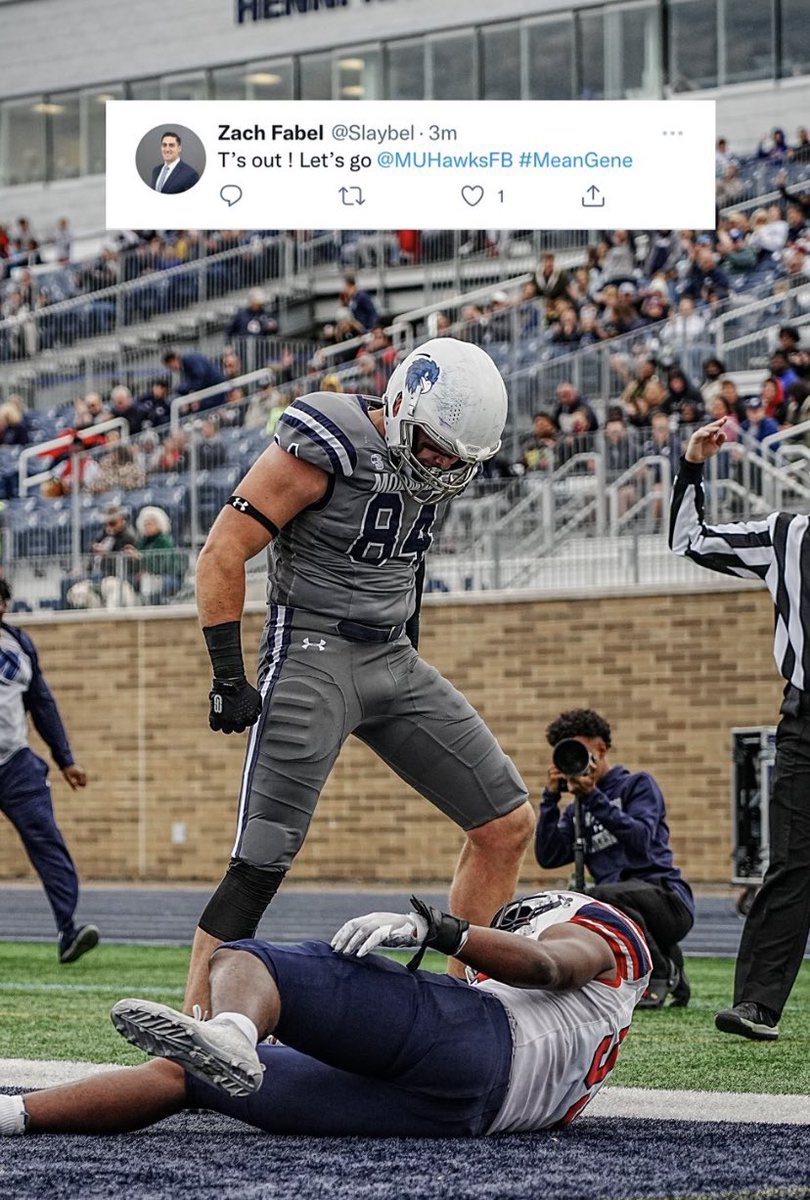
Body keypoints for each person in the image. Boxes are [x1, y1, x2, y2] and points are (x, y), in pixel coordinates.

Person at [185, 337, 535, 1012]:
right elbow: (224, 548)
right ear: (403, 401)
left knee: (506, 824)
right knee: (261, 858)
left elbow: (410, 556)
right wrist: (228, 674)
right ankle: (195, 1026)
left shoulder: (435, 459)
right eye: (435, 445)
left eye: (457, 457)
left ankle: (461, 1006)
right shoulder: (330, 437)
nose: (441, 463)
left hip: (392, 660)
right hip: (312, 654)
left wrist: (411, 635)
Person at [0, 888, 651, 1138]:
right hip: (463, 1115)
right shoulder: (603, 1025)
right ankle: (13, 1115)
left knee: (245, 960)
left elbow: (548, 965)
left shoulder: (603, 929)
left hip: (477, 1039)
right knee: (188, 1074)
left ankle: (233, 1029)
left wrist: (442, 929)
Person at [670, 415, 810, 1041]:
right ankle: (756, 1005)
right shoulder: (787, 536)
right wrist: (693, 465)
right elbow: (689, 540)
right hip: (806, 720)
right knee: (792, 863)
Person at [535, 708, 694, 1008]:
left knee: (599, 897)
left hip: (667, 898)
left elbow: (641, 842)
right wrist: (550, 798)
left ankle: (658, 973)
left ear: (602, 748)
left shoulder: (637, 785)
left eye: (580, 749)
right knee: (581, 901)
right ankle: (670, 964)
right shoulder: (576, 810)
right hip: (623, 906)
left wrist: (595, 797)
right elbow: (548, 856)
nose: (575, 759)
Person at [0, 578, 98, 964]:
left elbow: (42, 703)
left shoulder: (19, 646)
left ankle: (68, 929)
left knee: (47, 841)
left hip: (15, 763)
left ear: (4, 605)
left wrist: (66, 759)